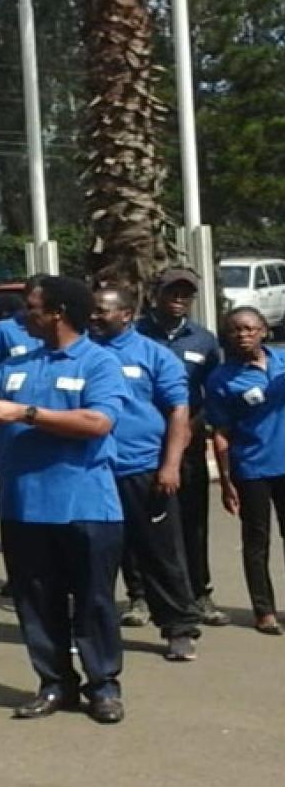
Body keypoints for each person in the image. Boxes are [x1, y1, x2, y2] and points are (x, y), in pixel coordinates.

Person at [0, 276, 129, 723]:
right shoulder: (18, 365)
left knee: (93, 602)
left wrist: (28, 413)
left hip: (87, 506)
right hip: (24, 507)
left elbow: (97, 423)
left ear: (58, 311)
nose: (24, 314)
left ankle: (104, 686)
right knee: (37, 603)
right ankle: (55, 683)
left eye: (33, 306)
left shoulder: (97, 363)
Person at [89, 286, 202, 661]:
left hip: (142, 469)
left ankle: (178, 627)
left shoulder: (154, 355)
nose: (93, 317)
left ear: (126, 313)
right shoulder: (83, 353)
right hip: (93, 472)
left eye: (102, 311)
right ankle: (90, 628)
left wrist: (169, 466)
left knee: (160, 552)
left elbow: (178, 412)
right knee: (94, 555)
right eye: (91, 310)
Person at [135, 267, 230, 626]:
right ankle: (141, 597)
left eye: (185, 294)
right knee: (143, 521)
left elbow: (212, 394)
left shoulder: (204, 341)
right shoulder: (135, 336)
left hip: (187, 446)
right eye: (172, 293)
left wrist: (190, 429)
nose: (179, 300)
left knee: (193, 523)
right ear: (155, 295)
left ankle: (199, 593)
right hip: (143, 445)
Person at [206, 307, 285, 634]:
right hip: (251, 468)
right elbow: (221, 434)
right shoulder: (222, 379)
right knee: (256, 540)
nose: (243, 335)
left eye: (250, 328)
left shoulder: (282, 363)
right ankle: (264, 610)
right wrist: (226, 482)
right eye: (236, 330)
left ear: (264, 331)